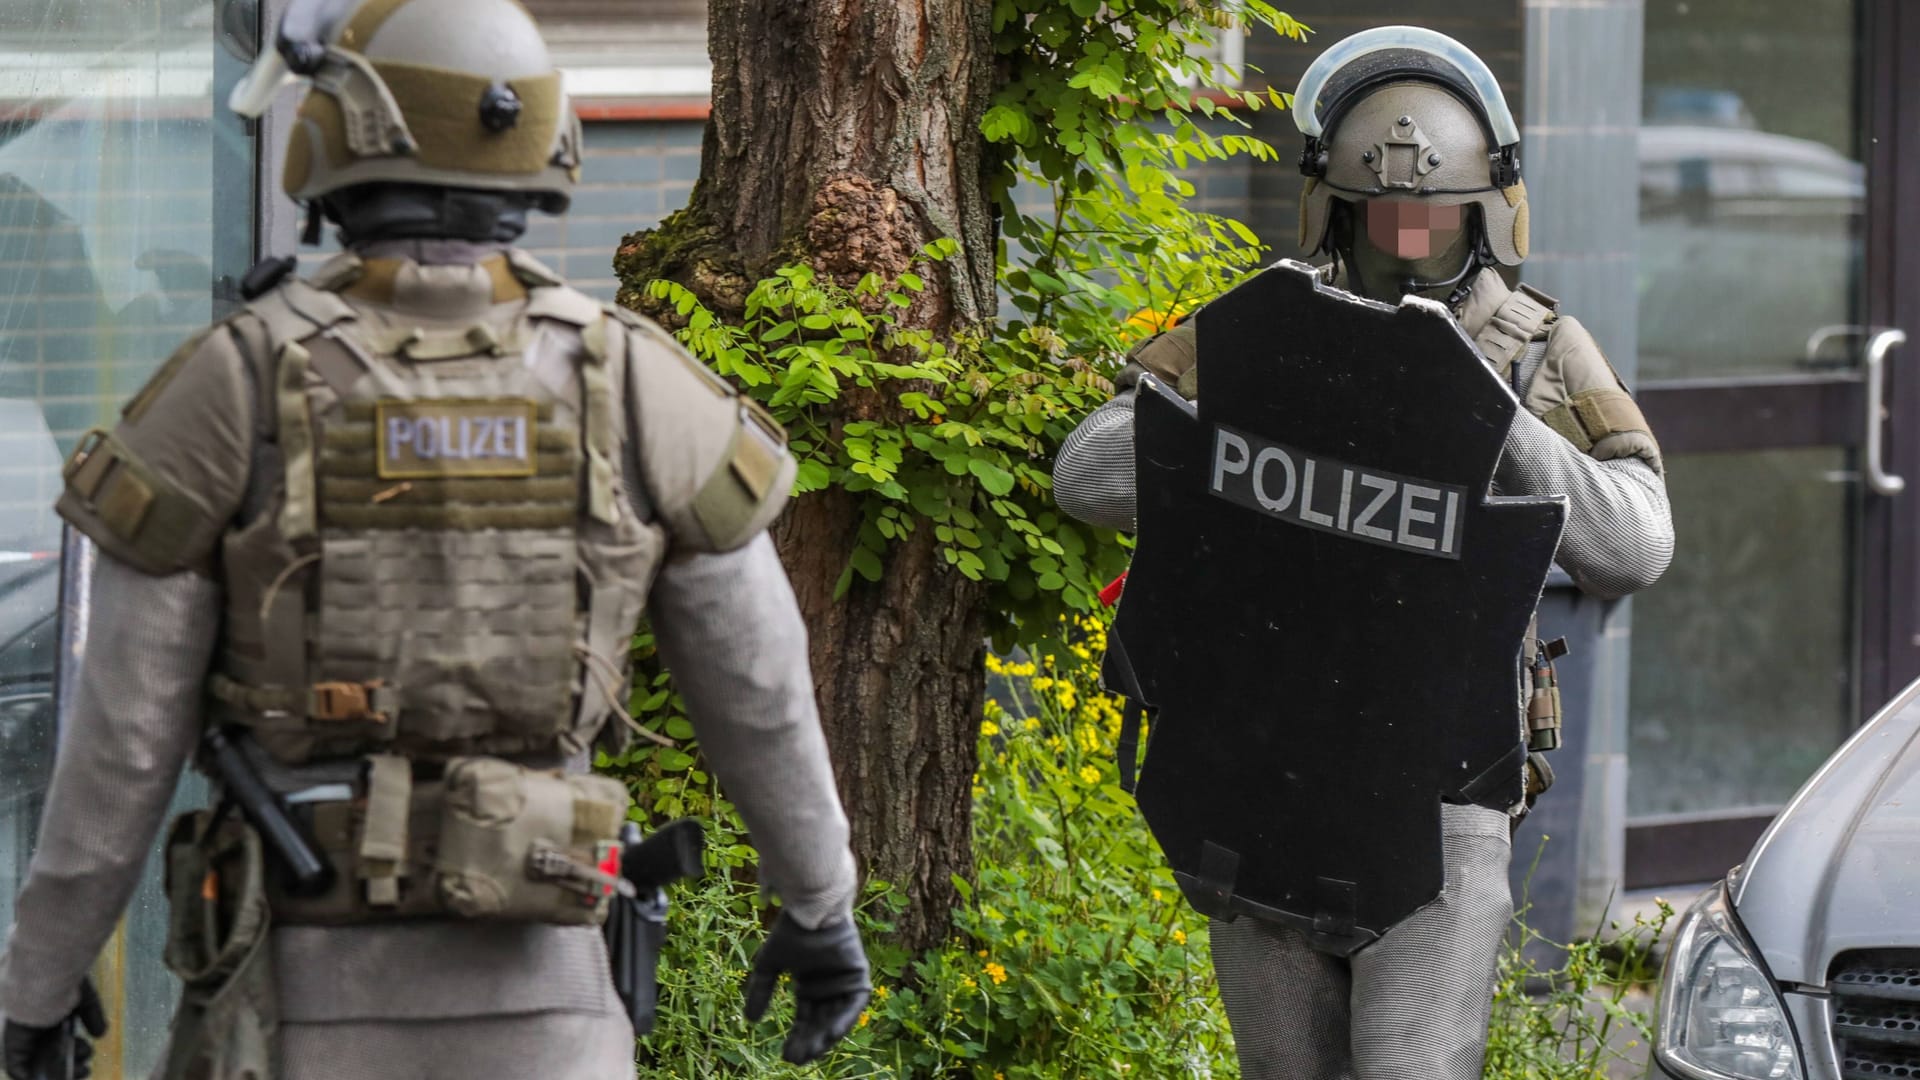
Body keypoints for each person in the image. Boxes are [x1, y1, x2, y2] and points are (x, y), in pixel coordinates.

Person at [0, 1, 869, 1076]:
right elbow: (762, 691)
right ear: (541, 141)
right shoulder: (635, 384)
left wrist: (41, 981)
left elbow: (123, 735)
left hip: (292, 1011)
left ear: (336, 141)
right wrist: (821, 904)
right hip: (554, 1016)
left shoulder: (237, 382)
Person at [1053, 26, 1674, 1080]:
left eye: (1431, 218)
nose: (1408, 236)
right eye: (1383, 217)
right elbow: (1093, 471)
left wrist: (1486, 422)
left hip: (1441, 792)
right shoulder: (1267, 329)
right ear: (1334, 210)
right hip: (1265, 765)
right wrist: (1276, 422)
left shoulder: (1536, 350)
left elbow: (1638, 542)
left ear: (1485, 212)